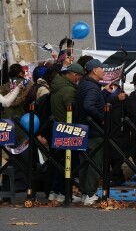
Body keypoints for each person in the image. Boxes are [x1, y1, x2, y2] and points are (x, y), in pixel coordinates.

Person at [76, 58, 112, 206]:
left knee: (85, 161)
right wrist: (102, 118)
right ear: (95, 70)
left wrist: (105, 94)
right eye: (101, 68)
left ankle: (85, 192)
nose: (104, 70)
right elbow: (89, 105)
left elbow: (90, 101)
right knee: (95, 162)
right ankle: (90, 193)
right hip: (94, 130)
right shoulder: (92, 87)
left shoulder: (84, 85)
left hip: (84, 129)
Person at [48, 63, 85, 203]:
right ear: (74, 75)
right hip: (68, 130)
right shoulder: (69, 91)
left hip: (56, 128)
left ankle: (55, 191)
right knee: (68, 163)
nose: (79, 80)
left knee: (59, 163)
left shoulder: (56, 87)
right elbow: (72, 111)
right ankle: (64, 192)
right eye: (79, 77)